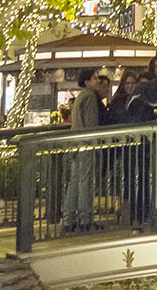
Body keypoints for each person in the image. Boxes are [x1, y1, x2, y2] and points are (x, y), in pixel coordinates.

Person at [63, 67, 107, 234]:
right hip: (86, 145)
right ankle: (85, 219)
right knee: (85, 182)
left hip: (76, 145)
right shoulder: (90, 97)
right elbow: (91, 124)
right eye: (95, 78)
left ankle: (69, 219)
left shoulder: (81, 96)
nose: (98, 81)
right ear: (87, 82)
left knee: (74, 182)